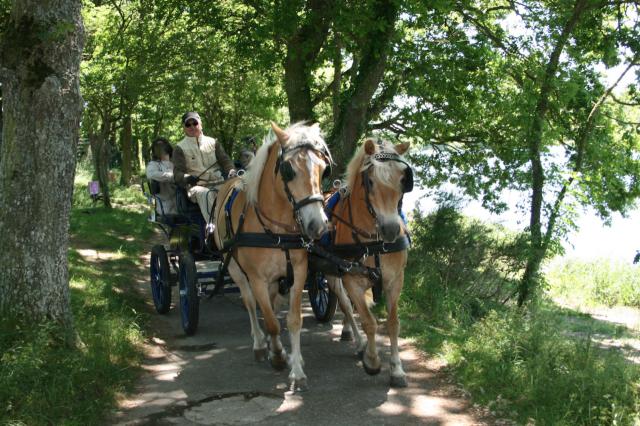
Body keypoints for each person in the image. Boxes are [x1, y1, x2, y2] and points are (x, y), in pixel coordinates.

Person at [173, 112, 235, 230]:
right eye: (188, 124)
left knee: (239, 189)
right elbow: (177, 174)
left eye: (195, 123)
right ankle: (216, 229)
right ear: (184, 127)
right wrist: (187, 177)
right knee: (206, 194)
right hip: (197, 188)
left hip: (220, 183)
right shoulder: (179, 148)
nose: (192, 127)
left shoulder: (213, 142)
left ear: (200, 124)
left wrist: (231, 171)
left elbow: (225, 161)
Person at [145, 137, 177, 216]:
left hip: (181, 199)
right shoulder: (154, 164)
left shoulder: (175, 162)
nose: (161, 150)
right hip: (165, 204)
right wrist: (173, 176)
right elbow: (151, 174)